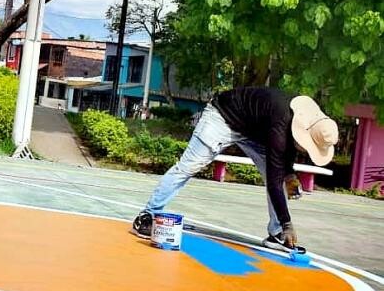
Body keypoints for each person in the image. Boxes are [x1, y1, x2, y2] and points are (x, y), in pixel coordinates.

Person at [130, 87, 338, 252]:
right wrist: (288, 223)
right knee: (189, 166)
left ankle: (276, 235)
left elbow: (289, 149)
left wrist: (290, 173)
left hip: (251, 128)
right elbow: (275, 180)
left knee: (280, 176)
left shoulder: (304, 121)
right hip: (222, 116)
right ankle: (147, 215)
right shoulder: (281, 127)